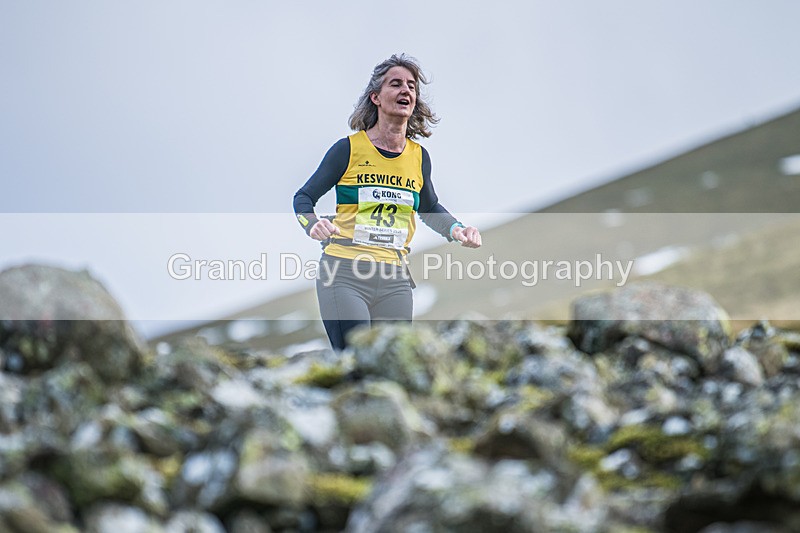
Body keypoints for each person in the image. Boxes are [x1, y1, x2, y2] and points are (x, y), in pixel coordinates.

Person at [293, 54, 481, 351]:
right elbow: (303, 198)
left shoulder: (419, 157)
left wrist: (456, 229)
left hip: (395, 280)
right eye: (396, 84)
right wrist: (312, 224)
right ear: (376, 97)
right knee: (357, 360)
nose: (406, 90)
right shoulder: (348, 150)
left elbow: (429, 207)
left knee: (392, 364)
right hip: (344, 274)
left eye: (411, 86)